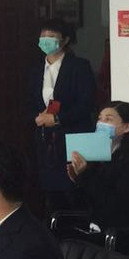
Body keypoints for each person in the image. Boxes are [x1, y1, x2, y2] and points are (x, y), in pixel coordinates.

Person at [29, 17, 95, 214]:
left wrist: (58, 118)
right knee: (50, 195)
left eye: (51, 36)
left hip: (72, 137)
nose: (46, 40)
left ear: (64, 40)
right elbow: (29, 101)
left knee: (73, 192)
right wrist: (37, 117)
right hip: (46, 140)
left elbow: (87, 104)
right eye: (43, 35)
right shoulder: (35, 69)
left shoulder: (79, 66)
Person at [65, 99, 129, 232]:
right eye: (100, 119)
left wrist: (85, 176)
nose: (101, 123)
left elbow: (113, 205)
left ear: (127, 127)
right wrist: (77, 179)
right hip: (94, 225)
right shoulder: (97, 156)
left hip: (119, 231)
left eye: (108, 119)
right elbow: (82, 203)